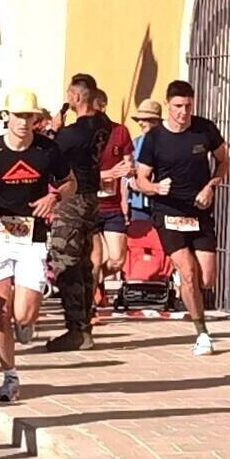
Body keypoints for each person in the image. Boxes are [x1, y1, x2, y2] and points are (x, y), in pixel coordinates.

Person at [0, 88, 75, 404]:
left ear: (36, 119)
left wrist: (54, 197)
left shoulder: (47, 150)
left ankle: (25, 324)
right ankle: (9, 376)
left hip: (31, 238)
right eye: (18, 116)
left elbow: (70, 183)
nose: (23, 122)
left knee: (23, 315)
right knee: (0, 309)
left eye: (29, 117)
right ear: (7, 117)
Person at [133, 80, 227, 356]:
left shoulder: (205, 129)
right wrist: (155, 188)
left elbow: (223, 160)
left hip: (200, 210)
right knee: (189, 273)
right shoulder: (155, 138)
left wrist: (211, 186)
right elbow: (141, 179)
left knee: (206, 279)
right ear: (167, 105)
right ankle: (202, 333)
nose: (183, 112)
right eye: (177, 107)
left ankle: (185, 284)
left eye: (188, 106)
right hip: (168, 212)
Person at [46, 73, 114, 352]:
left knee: (67, 263)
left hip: (72, 200)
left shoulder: (73, 134)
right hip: (91, 198)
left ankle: (76, 329)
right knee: (85, 263)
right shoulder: (102, 125)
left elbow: (50, 152)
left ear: (76, 97)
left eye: (69, 95)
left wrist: (55, 130)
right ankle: (84, 325)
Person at [92, 89, 137, 305]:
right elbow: (75, 173)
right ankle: (89, 307)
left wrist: (129, 169)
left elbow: (130, 163)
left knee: (117, 259)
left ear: (103, 106)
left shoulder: (120, 132)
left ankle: (95, 281)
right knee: (94, 259)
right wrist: (106, 174)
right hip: (89, 205)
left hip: (112, 206)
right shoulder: (81, 135)